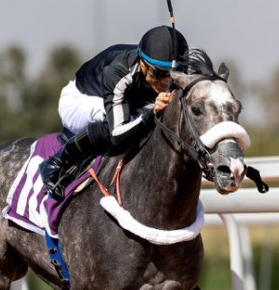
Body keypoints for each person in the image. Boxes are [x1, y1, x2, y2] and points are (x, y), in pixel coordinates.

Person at [39, 25, 190, 198]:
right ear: (143, 64)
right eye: (159, 73)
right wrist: (151, 114)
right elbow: (117, 134)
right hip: (80, 100)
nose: (165, 82)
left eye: (173, 74)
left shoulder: (175, 70)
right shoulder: (118, 72)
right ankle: (57, 163)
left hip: (127, 103)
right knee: (128, 121)